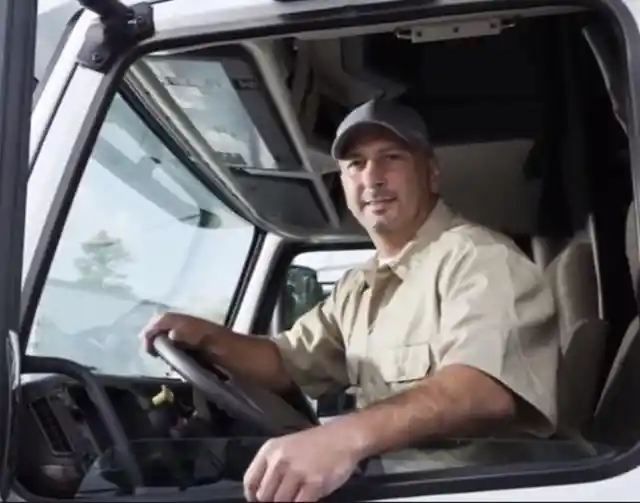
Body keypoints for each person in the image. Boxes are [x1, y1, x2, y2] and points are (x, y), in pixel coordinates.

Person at [140, 99, 560, 502]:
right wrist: (208, 338)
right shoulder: (358, 286)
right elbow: (285, 361)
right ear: (343, 182)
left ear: (431, 174)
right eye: (356, 164)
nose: (372, 177)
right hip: (388, 484)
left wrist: (341, 439)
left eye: (391, 157)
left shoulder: (479, 259)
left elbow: (482, 391)